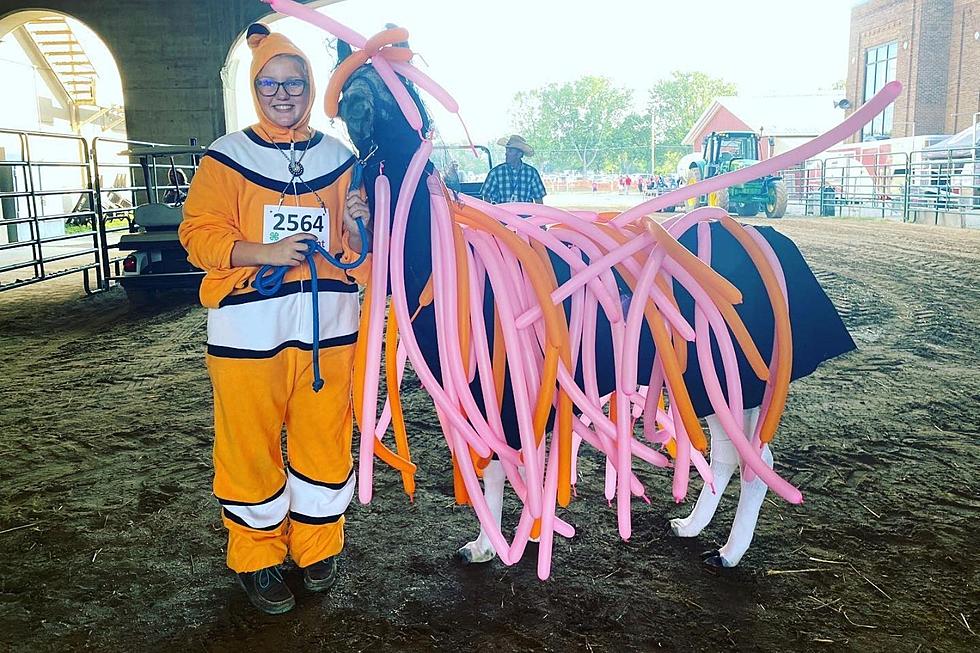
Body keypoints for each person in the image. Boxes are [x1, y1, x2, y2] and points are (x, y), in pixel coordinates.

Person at [178, 23, 370, 615]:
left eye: (293, 82)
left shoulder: (340, 160)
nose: (282, 93)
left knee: (325, 436)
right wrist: (264, 253)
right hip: (248, 325)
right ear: (255, 88)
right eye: (270, 83)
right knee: (249, 442)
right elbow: (198, 233)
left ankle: (316, 546)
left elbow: (353, 251)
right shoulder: (226, 156)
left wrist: (359, 222)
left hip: (327, 326)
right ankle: (257, 558)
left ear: (309, 86)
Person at [481, 134, 546, 204]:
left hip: (525, 214)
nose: (506, 153)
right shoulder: (495, 173)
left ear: (519, 154)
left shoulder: (532, 173)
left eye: (510, 151)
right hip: (501, 214)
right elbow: (486, 197)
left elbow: (539, 200)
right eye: (506, 150)